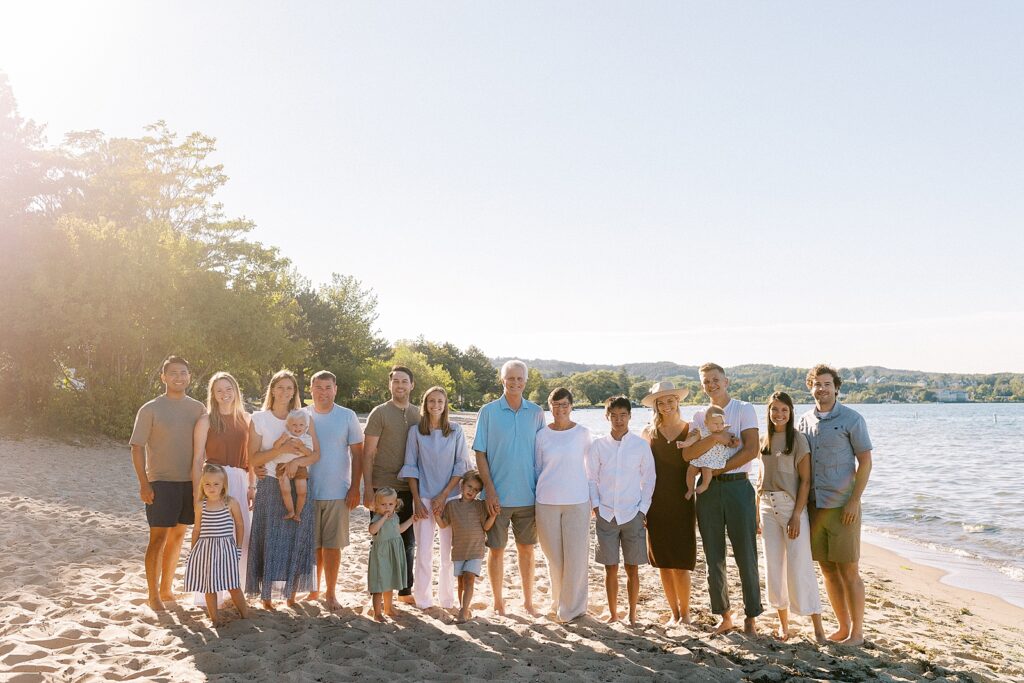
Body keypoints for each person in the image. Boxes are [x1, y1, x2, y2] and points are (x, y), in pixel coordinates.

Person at [681, 363, 763, 635]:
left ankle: (751, 616)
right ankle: (724, 615)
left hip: (738, 487)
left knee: (746, 554)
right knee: (713, 555)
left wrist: (720, 468)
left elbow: (751, 450)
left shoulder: (743, 409)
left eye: (715, 379)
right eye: (706, 381)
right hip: (709, 491)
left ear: (726, 381)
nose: (711, 385)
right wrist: (716, 436)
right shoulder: (697, 415)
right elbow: (689, 455)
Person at [797, 364, 873, 646]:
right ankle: (842, 627)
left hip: (843, 507)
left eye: (827, 384)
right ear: (810, 387)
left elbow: (865, 461)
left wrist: (855, 500)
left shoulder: (852, 419)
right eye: (817, 384)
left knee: (849, 571)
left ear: (836, 388)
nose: (822, 389)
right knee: (828, 570)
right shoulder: (803, 421)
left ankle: (857, 633)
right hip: (814, 508)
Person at [130, 355, 205, 611]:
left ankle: (166, 589)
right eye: (173, 373)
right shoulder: (150, 408)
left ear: (189, 377)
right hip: (161, 482)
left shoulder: (198, 408)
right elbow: (137, 447)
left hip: (190, 483)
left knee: (178, 536)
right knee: (158, 539)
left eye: (183, 373)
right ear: (163, 377)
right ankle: (153, 595)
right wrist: (144, 483)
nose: (179, 377)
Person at [473, 359, 546, 616]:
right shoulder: (488, 411)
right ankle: (498, 602)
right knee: (496, 550)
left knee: (527, 549)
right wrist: (490, 490)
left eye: (519, 379)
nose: (515, 383)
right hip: (496, 497)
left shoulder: (536, 412)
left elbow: (543, 453)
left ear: (526, 381)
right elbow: (480, 453)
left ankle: (528, 602)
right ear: (502, 380)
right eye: (510, 378)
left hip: (529, 495)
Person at [246, 370, 320, 609]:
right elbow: (253, 458)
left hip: (299, 483)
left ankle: (291, 594)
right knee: (269, 538)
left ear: (295, 392)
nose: (285, 392)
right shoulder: (259, 418)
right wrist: (280, 451)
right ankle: (266, 596)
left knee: (296, 538)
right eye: (280, 387)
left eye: (290, 388)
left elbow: (315, 454)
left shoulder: (303, 416)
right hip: (269, 483)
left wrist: (296, 462)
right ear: (272, 389)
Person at [758, 391, 825, 642]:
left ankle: (818, 627)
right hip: (766, 507)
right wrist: (757, 514)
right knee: (774, 568)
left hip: (790, 508)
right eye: (774, 409)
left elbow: (806, 481)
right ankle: (784, 626)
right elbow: (760, 480)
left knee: (800, 565)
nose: (779, 414)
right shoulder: (764, 439)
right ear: (768, 411)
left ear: (791, 412)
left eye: (784, 410)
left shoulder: (798, 440)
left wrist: (797, 515)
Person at [399, 386, 470, 610]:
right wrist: (417, 499)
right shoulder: (416, 431)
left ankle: (447, 600)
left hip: (450, 498)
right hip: (423, 499)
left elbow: (461, 466)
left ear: (445, 404)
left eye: (440, 401)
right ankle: (423, 599)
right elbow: (411, 467)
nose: (436, 405)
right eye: (431, 401)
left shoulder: (456, 431)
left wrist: (444, 495)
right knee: (424, 550)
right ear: (425, 403)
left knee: (448, 552)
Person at [587, 395, 655, 626]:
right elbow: (591, 478)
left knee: (632, 568)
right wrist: (595, 506)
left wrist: (642, 510)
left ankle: (633, 613)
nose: (618, 420)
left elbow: (649, 480)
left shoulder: (640, 446)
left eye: (623, 415)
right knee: (610, 568)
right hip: (606, 514)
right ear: (607, 417)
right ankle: (614, 613)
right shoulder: (598, 445)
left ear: (629, 416)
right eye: (614, 416)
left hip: (632, 514)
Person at [191, 371, 254, 607]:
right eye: (219, 390)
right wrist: (198, 493)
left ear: (236, 391)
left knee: (241, 535)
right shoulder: (206, 420)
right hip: (214, 482)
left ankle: (235, 589)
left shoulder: (246, 419)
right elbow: (198, 459)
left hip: (239, 478)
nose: (225, 394)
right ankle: (212, 593)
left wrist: (251, 486)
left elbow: (251, 457)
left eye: (229, 389)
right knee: (214, 535)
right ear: (213, 394)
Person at [305, 370, 364, 611]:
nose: (323, 392)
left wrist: (354, 488)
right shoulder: (302, 415)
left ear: (335, 389)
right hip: (306, 492)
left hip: (338, 492)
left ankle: (330, 593)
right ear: (311, 390)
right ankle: (313, 590)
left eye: (328, 387)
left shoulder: (347, 416)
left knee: (332, 546)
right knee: (312, 546)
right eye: (318, 387)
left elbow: (358, 454)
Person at [362, 366, 421, 604]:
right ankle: (378, 591)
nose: (400, 385)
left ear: (411, 385)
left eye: (404, 381)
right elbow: (367, 454)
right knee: (381, 540)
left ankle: (405, 591)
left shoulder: (419, 414)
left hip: (409, 486)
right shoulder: (380, 413)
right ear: (390, 385)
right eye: (396, 381)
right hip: (382, 487)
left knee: (407, 541)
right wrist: (367, 488)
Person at [639, 381, 696, 626]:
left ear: (678, 401)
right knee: (663, 562)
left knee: (681, 562)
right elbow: (640, 471)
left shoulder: (692, 430)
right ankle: (674, 613)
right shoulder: (647, 433)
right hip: (655, 503)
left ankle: (686, 614)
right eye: (660, 402)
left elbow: (702, 462)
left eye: (669, 400)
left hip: (683, 502)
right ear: (655, 405)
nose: (665, 405)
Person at [534, 387, 593, 623]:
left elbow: (592, 469)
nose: (560, 409)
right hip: (546, 501)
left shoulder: (584, 433)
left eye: (564, 404)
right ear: (550, 406)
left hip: (577, 501)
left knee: (576, 558)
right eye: (556, 404)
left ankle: (573, 608)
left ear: (571, 406)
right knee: (555, 558)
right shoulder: (541, 435)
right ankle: (557, 602)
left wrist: (594, 500)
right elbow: (537, 468)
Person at [184, 463, 248, 626]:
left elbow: (240, 525)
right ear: (202, 485)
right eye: (207, 484)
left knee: (233, 584)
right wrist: (193, 552)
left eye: (216, 484)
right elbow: (197, 530)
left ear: (223, 485)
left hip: (226, 549)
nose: (211, 488)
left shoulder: (230, 503)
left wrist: (238, 548)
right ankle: (215, 619)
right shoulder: (200, 506)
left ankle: (246, 615)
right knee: (209, 586)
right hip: (205, 551)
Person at [438, 470, 498, 623]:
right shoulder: (451, 505)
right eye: (470, 487)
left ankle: (463, 611)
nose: (472, 491)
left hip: (476, 549)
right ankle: (463, 608)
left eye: (476, 489)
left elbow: (486, 527)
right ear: (462, 485)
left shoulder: (479, 506)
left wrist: (493, 515)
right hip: (458, 550)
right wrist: (436, 514)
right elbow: (443, 524)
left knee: (469, 579)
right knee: (460, 582)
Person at [368, 487, 415, 622]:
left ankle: (388, 608)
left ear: (396, 504)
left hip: (394, 552)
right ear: (377, 505)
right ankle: (377, 613)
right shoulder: (377, 518)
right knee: (379, 584)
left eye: (390, 504)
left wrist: (411, 520)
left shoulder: (395, 517)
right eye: (383, 505)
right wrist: (383, 518)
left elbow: (399, 530)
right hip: (381, 554)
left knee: (390, 581)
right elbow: (372, 530)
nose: (387, 507)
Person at [268, 409, 314, 523]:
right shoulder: (286, 435)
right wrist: (281, 440)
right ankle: (291, 511)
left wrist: (302, 446)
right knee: (285, 490)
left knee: (302, 491)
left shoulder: (306, 438)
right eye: (294, 425)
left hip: (300, 467)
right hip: (282, 466)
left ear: (306, 426)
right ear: (288, 426)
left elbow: (309, 453)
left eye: (301, 425)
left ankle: (298, 513)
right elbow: (275, 447)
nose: (297, 427)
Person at [678, 405, 729, 500]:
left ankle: (705, 485)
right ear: (706, 423)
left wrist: (735, 441)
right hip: (701, 457)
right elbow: (693, 440)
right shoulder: (702, 431)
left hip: (714, 458)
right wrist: (684, 444)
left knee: (706, 469)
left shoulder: (723, 431)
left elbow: (730, 440)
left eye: (721, 423)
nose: (719, 426)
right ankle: (690, 489)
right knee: (690, 470)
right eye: (715, 423)